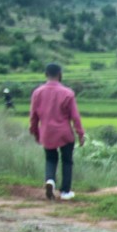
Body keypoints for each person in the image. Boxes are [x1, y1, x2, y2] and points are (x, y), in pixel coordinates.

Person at [28, 62, 85, 201]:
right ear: (60, 75)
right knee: (67, 161)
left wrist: (35, 132)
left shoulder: (37, 93)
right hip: (64, 133)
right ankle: (65, 191)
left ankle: (50, 181)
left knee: (50, 159)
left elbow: (33, 117)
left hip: (47, 133)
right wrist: (80, 133)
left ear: (46, 75)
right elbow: (75, 117)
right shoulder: (67, 93)